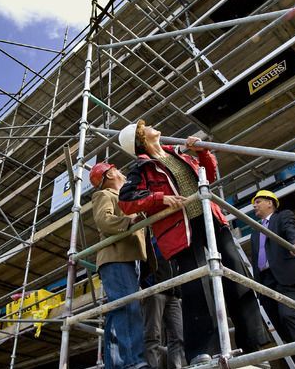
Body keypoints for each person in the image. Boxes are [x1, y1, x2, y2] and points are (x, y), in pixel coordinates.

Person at [117, 120, 268, 364]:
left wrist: (203, 152)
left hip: (211, 220)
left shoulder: (178, 153)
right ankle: (202, 352)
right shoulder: (142, 168)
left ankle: (253, 344)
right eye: (145, 128)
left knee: (237, 275)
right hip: (180, 231)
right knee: (197, 288)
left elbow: (207, 175)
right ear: (140, 139)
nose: (152, 126)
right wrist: (161, 198)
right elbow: (126, 201)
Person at [89, 162, 150, 369]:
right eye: (118, 169)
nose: (122, 172)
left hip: (127, 258)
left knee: (119, 311)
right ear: (109, 174)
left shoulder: (125, 199)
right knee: (127, 308)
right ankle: (132, 362)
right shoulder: (104, 195)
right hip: (116, 258)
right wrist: (129, 221)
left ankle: (116, 364)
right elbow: (104, 221)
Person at [250, 190, 295, 369]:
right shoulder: (255, 232)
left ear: (270, 203)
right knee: (277, 323)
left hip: (284, 276)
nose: (254, 205)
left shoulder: (282, 217)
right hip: (265, 281)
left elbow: (291, 229)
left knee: (288, 314)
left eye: (258, 201)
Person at [140, 236, 185, 368]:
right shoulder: (149, 241)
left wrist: (178, 290)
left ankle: (175, 366)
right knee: (152, 336)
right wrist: (147, 285)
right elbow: (141, 264)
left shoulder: (170, 238)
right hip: (155, 290)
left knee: (178, 336)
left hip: (173, 293)